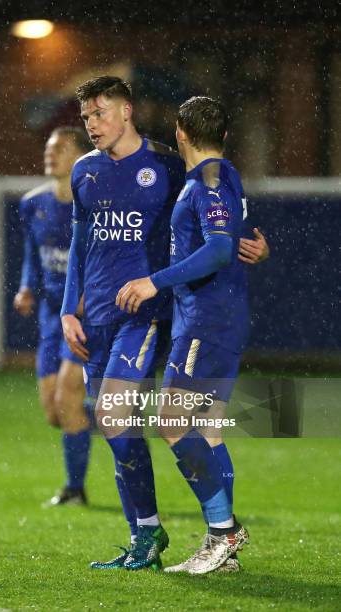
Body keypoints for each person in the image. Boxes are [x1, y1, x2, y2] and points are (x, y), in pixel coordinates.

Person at [61, 77, 268, 570]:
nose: (92, 124)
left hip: (148, 314)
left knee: (123, 415)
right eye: (86, 116)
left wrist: (252, 245)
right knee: (123, 426)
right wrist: (71, 307)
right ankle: (148, 534)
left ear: (127, 110)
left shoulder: (171, 167)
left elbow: (217, 222)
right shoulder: (84, 172)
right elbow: (79, 245)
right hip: (101, 318)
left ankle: (219, 533)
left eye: (101, 113)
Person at [116, 96, 254, 573]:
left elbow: (217, 250)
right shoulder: (217, 176)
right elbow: (228, 240)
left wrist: (155, 280)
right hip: (218, 317)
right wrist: (246, 243)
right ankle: (223, 550)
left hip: (207, 320)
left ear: (180, 132)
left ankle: (224, 530)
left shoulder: (211, 179)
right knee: (209, 430)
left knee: (172, 422)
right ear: (224, 134)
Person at [14, 126, 93, 506]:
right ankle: (114, 418)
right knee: (54, 411)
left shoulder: (95, 206)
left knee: (67, 397)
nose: (50, 154)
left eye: (60, 148)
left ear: (80, 156)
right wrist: (27, 286)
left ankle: (74, 490)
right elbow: (34, 253)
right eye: (48, 148)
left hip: (84, 316)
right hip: (50, 316)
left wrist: (87, 297)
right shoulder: (33, 203)